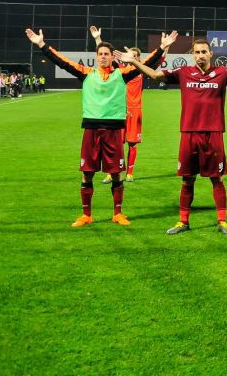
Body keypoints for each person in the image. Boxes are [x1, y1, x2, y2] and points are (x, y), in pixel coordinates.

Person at [114, 41, 227, 234]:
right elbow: (154, 75)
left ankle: (222, 221)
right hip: (189, 133)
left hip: (213, 133)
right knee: (187, 180)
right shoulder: (184, 72)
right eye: (197, 52)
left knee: (217, 179)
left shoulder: (222, 72)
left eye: (204, 51)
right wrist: (134, 62)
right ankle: (183, 222)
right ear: (193, 54)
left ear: (210, 53)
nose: (200, 55)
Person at [25, 27, 172, 227]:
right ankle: (86, 215)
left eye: (106, 54)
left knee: (116, 173)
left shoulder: (122, 74)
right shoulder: (87, 73)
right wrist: (42, 45)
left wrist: (161, 48)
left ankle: (118, 214)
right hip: (91, 131)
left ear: (112, 57)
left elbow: (146, 65)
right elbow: (62, 61)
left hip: (113, 132)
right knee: (87, 173)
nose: (103, 57)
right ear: (96, 57)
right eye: (100, 54)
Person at [91, 27, 158, 183]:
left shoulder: (141, 71)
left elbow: (158, 59)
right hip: (118, 111)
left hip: (135, 110)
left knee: (132, 144)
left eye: (134, 56)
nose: (131, 57)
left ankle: (129, 173)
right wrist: (98, 39)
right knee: (115, 144)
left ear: (139, 58)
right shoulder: (120, 70)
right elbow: (106, 55)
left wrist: (165, 46)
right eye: (130, 55)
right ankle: (111, 172)